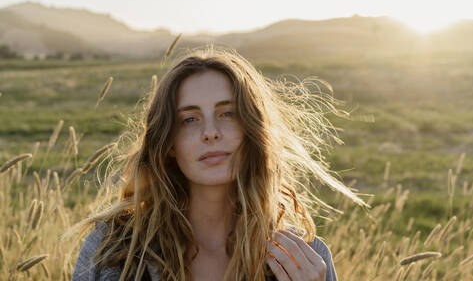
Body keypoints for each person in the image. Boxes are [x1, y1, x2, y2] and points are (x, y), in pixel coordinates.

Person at [70, 45, 367, 281]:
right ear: (169, 144)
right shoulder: (113, 250)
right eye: (189, 119)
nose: (210, 132)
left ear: (253, 130)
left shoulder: (303, 259)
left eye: (228, 114)